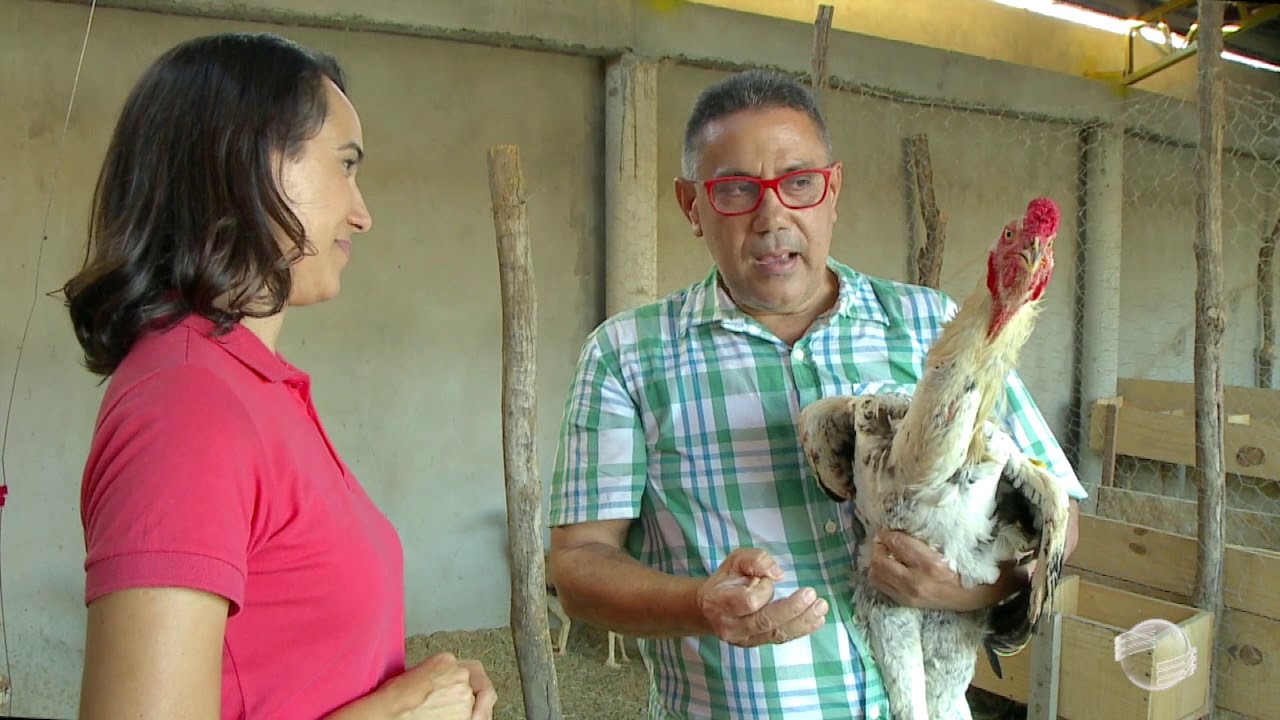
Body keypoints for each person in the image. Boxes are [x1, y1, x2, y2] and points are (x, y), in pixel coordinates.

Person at [546, 69, 1087, 719]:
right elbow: (579, 567)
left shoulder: (933, 327)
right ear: (692, 206)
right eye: (735, 190)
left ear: (832, 191)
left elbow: (1057, 516)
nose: (772, 216)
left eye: (798, 182)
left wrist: (968, 589)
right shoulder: (627, 355)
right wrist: (699, 605)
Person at [60, 32, 495, 720]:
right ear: (247, 162)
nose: (362, 211)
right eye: (344, 166)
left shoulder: (248, 387)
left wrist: (416, 688)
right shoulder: (186, 408)